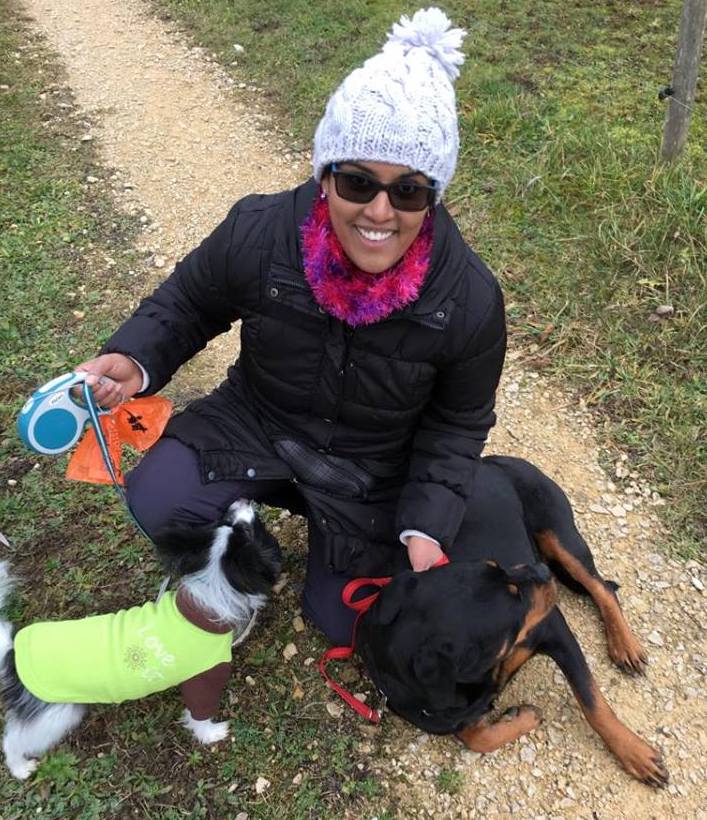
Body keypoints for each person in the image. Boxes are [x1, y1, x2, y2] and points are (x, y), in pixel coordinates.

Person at [76, 8, 506, 645]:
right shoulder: (260, 231)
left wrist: (426, 525)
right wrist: (134, 359)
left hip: (373, 465)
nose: (379, 211)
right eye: (357, 181)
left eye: (409, 191)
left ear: (433, 197)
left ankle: (337, 545)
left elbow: (457, 423)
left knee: (347, 623)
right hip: (258, 421)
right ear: (324, 175)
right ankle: (239, 542)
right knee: (159, 499)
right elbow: (188, 303)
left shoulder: (469, 297)